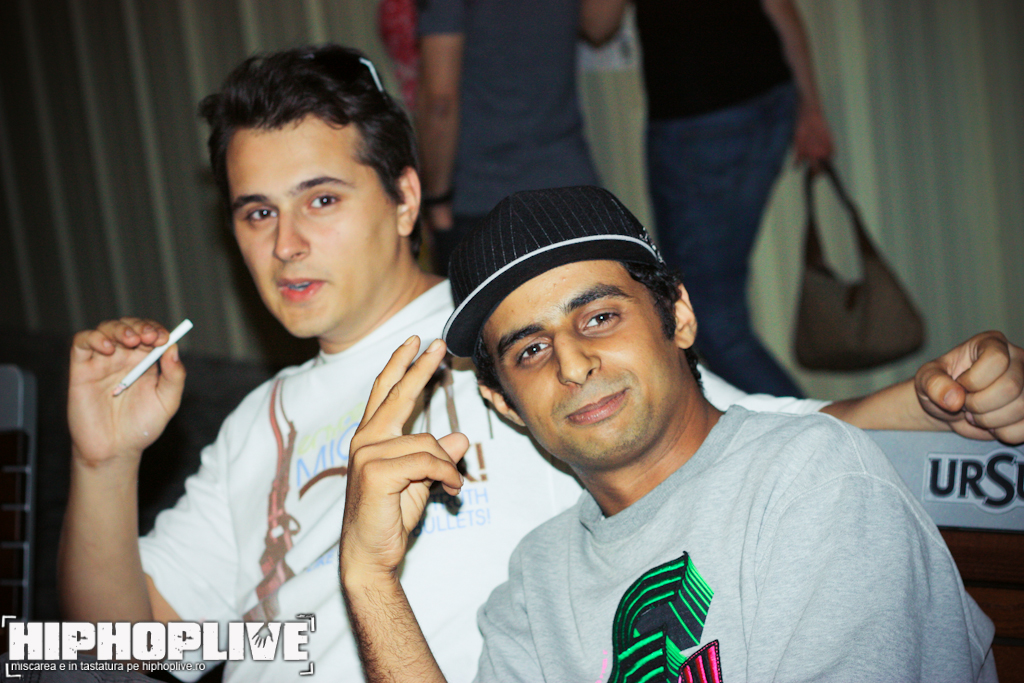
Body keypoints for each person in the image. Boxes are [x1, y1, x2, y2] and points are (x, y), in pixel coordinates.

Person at [59, 45, 1021, 682]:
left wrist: (938, 400)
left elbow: (744, 443)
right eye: (256, 212)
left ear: (404, 197)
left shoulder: (511, 336)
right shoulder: (254, 424)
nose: (286, 244)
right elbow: (115, 650)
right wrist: (105, 461)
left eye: (320, 199)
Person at [340, 186, 997, 682]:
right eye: (530, 350)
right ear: (503, 403)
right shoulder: (533, 588)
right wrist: (370, 578)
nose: (573, 364)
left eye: (599, 317)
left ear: (678, 316)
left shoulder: (811, 478)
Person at [583, 0, 833, 396]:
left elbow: (598, 24)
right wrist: (811, 107)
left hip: (699, 117)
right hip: (769, 98)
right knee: (716, 311)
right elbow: (779, 7)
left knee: (710, 319)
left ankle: (816, 431)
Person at [415, 0, 603, 274]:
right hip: (570, 183)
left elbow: (439, 102)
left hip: (483, 198)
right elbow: (601, 25)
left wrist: (437, 201)